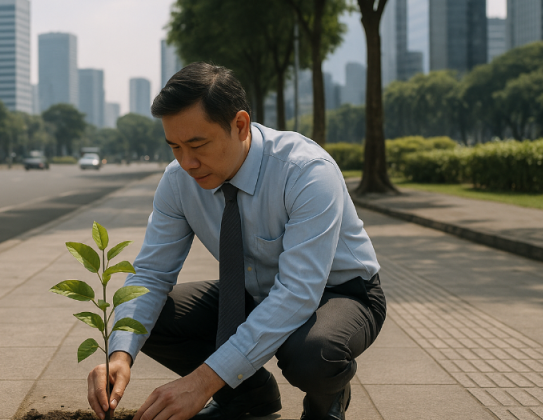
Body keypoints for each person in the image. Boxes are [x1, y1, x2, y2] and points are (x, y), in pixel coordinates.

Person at [86, 62, 387, 420]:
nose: (187, 162)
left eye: (197, 144)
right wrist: (120, 353)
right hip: (251, 289)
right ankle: (248, 398)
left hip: (340, 292)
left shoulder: (306, 171)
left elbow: (297, 293)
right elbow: (150, 274)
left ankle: (328, 399)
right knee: (151, 317)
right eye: (175, 147)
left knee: (313, 353)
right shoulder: (178, 181)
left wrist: (200, 383)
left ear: (240, 125)